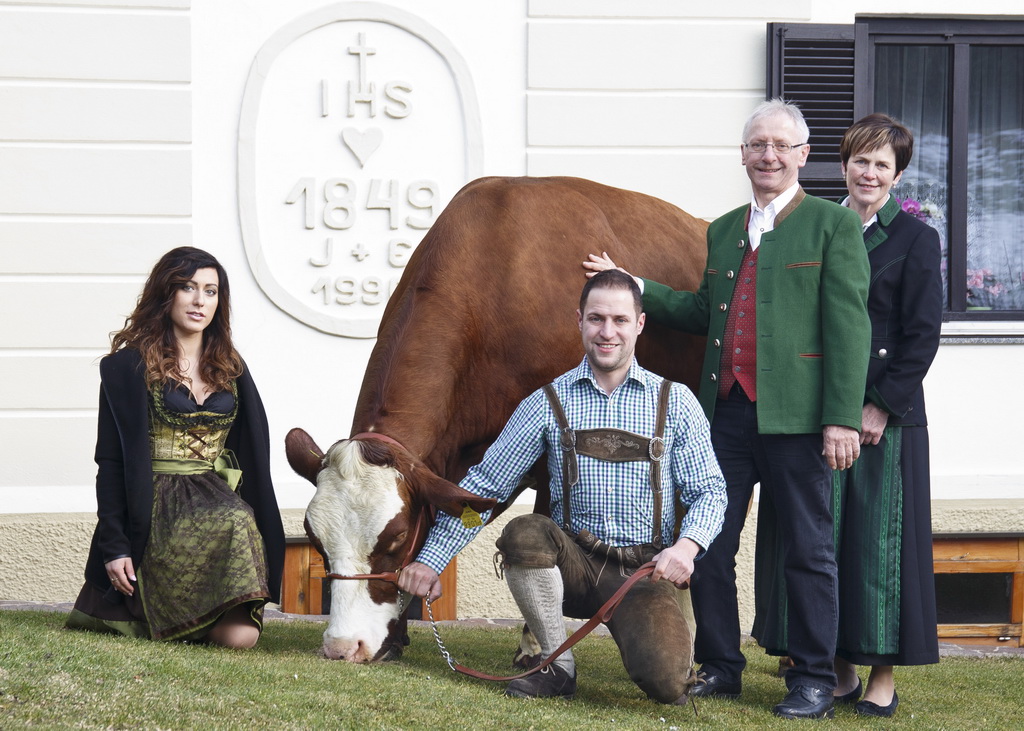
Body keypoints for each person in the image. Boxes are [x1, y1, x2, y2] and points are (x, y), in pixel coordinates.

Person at [583, 99, 871, 719]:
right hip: (728, 415)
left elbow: (848, 328)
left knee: (808, 550)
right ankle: (721, 666)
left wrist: (842, 416)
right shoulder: (722, 229)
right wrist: (631, 284)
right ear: (743, 155)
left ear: (802, 155)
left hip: (798, 420)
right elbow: (699, 312)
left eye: (780, 146)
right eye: (756, 145)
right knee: (707, 541)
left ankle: (814, 676)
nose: (767, 155)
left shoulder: (832, 226)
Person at [398, 269, 727, 704]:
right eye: (596, 319)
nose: (607, 332)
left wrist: (686, 548)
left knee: (667, 685)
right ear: (579, 321)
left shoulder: (676, 401)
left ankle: (657, 656)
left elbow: (710, 491)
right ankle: (555, 665)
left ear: (639, 324)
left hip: (642, 573)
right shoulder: (548, 402)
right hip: (572, 562)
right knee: (524, 532)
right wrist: (431, 561)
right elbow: (485, 486)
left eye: (620, 320)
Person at [752, 113, 942, 718]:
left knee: (878, 548)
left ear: (898, 175)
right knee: (821, 541)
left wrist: (880, 405)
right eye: (861, 160)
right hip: (818, 410)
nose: (869, 172)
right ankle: (833, 668)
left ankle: (882, 673)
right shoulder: (816, 224)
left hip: (886, 418)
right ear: (843, 163)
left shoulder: (916, 238)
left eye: (882, 164)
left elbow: (921, 336)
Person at [66, 247, 285, 648]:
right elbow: (111, 462)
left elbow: (252, 454)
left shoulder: (231, 368)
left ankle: (201, 613)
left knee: (241, 637)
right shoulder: (127, 368)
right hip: (153, 507)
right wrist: (114, 547)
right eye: (188, 288)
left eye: (211, 291)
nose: (200, 300)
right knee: (231, 519)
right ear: (167, 294)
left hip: (214, 499)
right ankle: (165, 611)